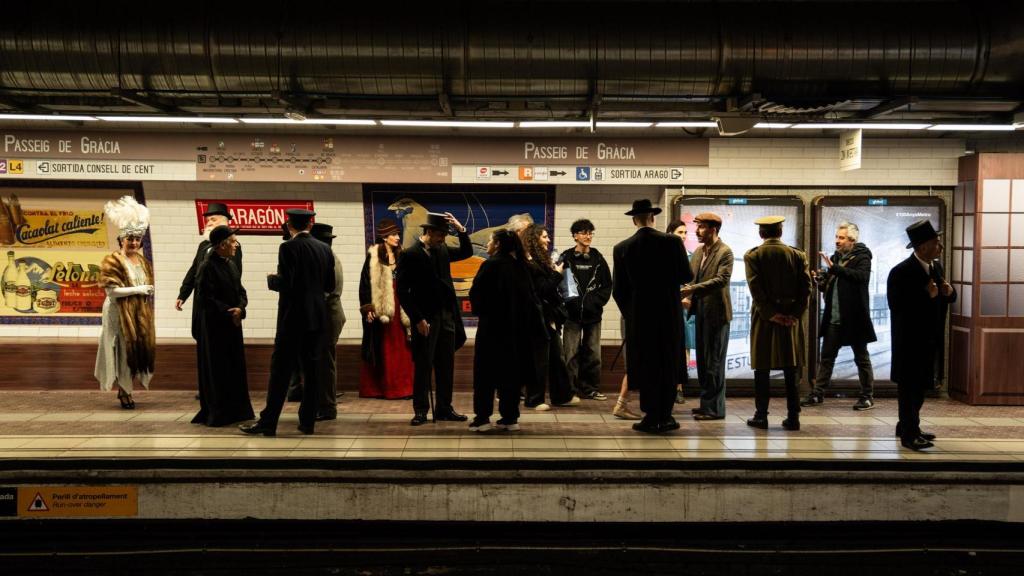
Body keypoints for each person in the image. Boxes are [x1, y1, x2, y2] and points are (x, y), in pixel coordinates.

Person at [240, 208, 335, 437]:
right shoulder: (325, 248)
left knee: (281, 371)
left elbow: (289, 283)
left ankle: (268, 422)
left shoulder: (288, 247)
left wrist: (272, 280)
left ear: (289, 225)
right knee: (312, 372)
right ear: (310, 226)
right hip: (318, 319)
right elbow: (329, 285)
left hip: (293, 319)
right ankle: (308, 422)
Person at [612, 198, 693, 433]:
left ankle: (649, 416)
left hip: (640, 317)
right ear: (653, 217)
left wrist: (631, 314)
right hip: (668, 313)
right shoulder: (672, 242)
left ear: (634, 219)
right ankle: (665, 416)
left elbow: (619, 290)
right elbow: (685, 276)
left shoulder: (622, 248)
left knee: (645, 363)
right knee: (667, 362)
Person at [396, 211, 473, 426]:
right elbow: (402, 291)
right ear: (428, 232)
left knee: (446, 364)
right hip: (425, 319)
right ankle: (421, 410)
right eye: (440, 235)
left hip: (447, 315)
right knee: (423, 364)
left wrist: (460, 229)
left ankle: (444, 408)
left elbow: (467, 251)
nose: (443, 239)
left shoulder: (443, 250)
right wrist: (417, 318)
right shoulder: (410, 254)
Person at [888, 219, 955, 451]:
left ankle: (908, 425)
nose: (940, 247)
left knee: (921, 386)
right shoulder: (900, 272)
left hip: (930, 339)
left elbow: (944, 297)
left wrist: (948, 292)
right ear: (923, 246)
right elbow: (897, 307)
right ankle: (909, 434)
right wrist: (926, 296)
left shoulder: (936, 268)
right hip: (909, 342)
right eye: (937, 243)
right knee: (910, 388)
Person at [468, 229, 545, 432]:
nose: (488, 245)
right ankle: (510, 418)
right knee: (511, 375)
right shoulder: (521, 267)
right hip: (516, 332)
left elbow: (476, 297)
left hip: (491, 331)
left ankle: (483, 418)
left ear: (499, 244)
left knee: (485, 376)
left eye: (491, 241)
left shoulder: (489, 265)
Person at [743, 216, 811, 432]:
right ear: (781, 232)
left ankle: (761, 415)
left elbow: (756, 289)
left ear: (761, 233)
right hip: (791, 319)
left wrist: (771, 314)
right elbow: (806, 288)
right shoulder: (798, 255)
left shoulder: (753, 255)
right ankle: (793, 418)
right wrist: (794, 315)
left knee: (762, 368)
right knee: (792, 369)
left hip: (764, 319)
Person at [802, 222, 877, 410]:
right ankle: (818, 394)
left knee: (861, 357)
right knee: (826, 357)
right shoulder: (836, 258)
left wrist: (834, 268)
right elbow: (832, 285)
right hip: (834, 317)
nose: (837, 241)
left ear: (851, 240)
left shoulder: (862, 256)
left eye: (841, 238)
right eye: (836, 237)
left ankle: (867, 396)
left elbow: (861, 277)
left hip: (854, 317)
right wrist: (821, 280)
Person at [176, 202, 242, 400]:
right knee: (202, 342)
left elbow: (234, 276)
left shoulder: (233, 247)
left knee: (219, 348)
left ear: (225, 222)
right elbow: (193, 270)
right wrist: (183, 294)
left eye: (213, 219)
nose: (209, 223)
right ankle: (206, 386)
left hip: (221, 305)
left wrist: (234, 304)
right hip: (202, 303)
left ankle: (220, 387)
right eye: (207, 221)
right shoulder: (203, 246)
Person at [94, 196, 155, 409]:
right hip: (118, 314)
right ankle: (125, 392)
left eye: (137, 239)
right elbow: (112, 292)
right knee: (121, 351)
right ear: (122, 240)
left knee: (135, 352)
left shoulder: (144, 262)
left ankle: (126, 390)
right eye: (130, 238)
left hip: (138, 314)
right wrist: (138, 289)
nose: (134, 242)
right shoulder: (113, 261)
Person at [190, 225, 254, 426]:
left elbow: (241, 292)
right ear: (221, 245)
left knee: (234, 368)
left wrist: (241, 309)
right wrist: (229, 311)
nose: (236, 245)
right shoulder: (207, 267)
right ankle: (220, 412)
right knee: (219, 370)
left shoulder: (231, 265)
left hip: (233, 325)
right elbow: (205, 299)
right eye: (233, 241)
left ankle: (238, 411)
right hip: (215, 328)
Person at [283, 223, 346, 420]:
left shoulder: (327, 260)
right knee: (323, 362)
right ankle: (323, 403)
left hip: (327, 314)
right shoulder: (329, 257)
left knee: (325, 364)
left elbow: (324, 291)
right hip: (330, 313)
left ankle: (327, 407)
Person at [681, 212, 733, 421]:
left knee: (715, 363)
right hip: (700, 313)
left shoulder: (725, 252)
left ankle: (715, 409)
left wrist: (692, 290)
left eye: (701, 227)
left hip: (718, 315)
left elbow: (721, 280)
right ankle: (706, 405)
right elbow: (689, 276)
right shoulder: (699, 251)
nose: (697, 231)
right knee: (703, 362)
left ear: (713, 229)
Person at [523, 223, 578, 410]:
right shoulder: (530, 263)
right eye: (544, 237)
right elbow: (542, 290)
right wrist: (556, 274)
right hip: (539, 318)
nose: (548, 240)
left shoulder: (541, 261)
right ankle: (535, 399)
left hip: (549, 316)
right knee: (539, 359)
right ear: (535, 239)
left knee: (556, 357)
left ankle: (562, 395)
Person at [359, 218, 414, 399]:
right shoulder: (373, 257)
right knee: (384, 346)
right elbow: (365, 284)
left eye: (398, 234)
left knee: (403, 347)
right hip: (383, 306)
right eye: (394, 235)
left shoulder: (403, 255)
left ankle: (405, 388)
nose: (397, 237)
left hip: (402, 304)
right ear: (385, 237)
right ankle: (382, 388)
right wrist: (368, 308)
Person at [559, 219, 612, 402]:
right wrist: (566, 305)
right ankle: (570, 390)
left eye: (590, 232)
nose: (588, 236)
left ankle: (590, 389)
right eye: (583, 232)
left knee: (593, 354)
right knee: (570, 354)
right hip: (571, 316)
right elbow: (557, 283)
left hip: (593, 316)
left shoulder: (598, 259)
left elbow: (607, 286)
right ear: (575, 236)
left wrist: (595, 303)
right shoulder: (565, 258)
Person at [667, 219, 695, 404]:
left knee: (685, 347)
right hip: (670, 305)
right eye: (679, 232)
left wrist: (690, 297)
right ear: (670, 234)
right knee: (671, 345)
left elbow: (694, 280)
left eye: (685, 232)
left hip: (686, 307)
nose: (683, 236)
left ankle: (679, 387)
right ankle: (670, 384)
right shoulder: (663, 255)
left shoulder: (691, 255)